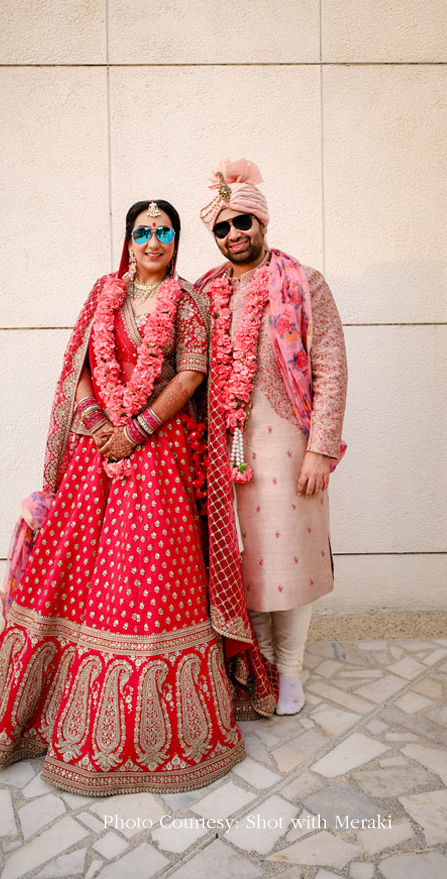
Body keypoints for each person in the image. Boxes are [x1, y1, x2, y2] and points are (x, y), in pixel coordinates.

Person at [0, 199, 246, 795]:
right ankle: (43, 722)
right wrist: (99, 426)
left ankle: (141, 737)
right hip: (95, 455)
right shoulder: (104, 294)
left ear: (176, 241)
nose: (153, 241)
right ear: (128, 239)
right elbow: (86, 368)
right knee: (69, 570)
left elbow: (191, 373)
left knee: (143, 578)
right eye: (143, 231)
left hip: (159, 453)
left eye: (164, 232)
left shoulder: (190, 302)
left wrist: (137, 430)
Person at [197, 159, 347, 716]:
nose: (234, 234)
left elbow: (330, 366)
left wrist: (321, 449)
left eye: (243, 223)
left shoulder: (304, 283)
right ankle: (255, 665)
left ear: (262, 223)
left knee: (290, 560)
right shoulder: (205, 291)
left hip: (287, 440)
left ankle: (289, 672)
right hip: (223, 446)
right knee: (244, 559)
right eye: (222, 227)